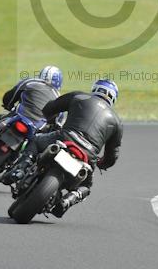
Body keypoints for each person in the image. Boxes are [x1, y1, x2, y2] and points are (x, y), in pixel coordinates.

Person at [6, 79, 123, 218]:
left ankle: (20, 169)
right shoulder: (117, 122)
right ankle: (68, 200)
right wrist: (101, 164)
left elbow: (50, 108)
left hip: (64, 138)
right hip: (88, 155)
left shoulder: (78, 96)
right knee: (86, 186)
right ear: (113, 97)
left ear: (95, 89)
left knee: (35, 141)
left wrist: (50, 122)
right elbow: (112, 155)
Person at [0, 65, 63, 152]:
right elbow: (57, 124)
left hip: (18, 117)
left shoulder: (30, 82)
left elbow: (11, 95)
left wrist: (8, 105)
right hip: (37, 129)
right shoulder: (59, 98)